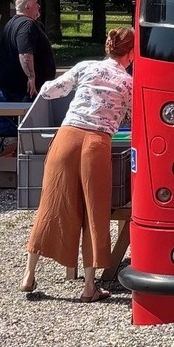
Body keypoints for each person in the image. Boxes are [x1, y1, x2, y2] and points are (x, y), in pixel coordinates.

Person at [20, 28, 134, 301]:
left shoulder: (85, 67)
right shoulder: (127, 82)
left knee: (52, 203)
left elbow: (50, 91)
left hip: (67, 136)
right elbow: (136, 116)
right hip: (97, 143)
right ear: (130, 53)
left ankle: (29, 274)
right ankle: (89, 287)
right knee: (94, 211)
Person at [0, 0, 56, 101]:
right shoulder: (27, 25)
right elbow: (25, 53)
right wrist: (31, 78)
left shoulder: (11, 23)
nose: (39, 6)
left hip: (14, 86)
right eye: (36, 3)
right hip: (26, 89)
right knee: (28, 117)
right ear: (27, 7)